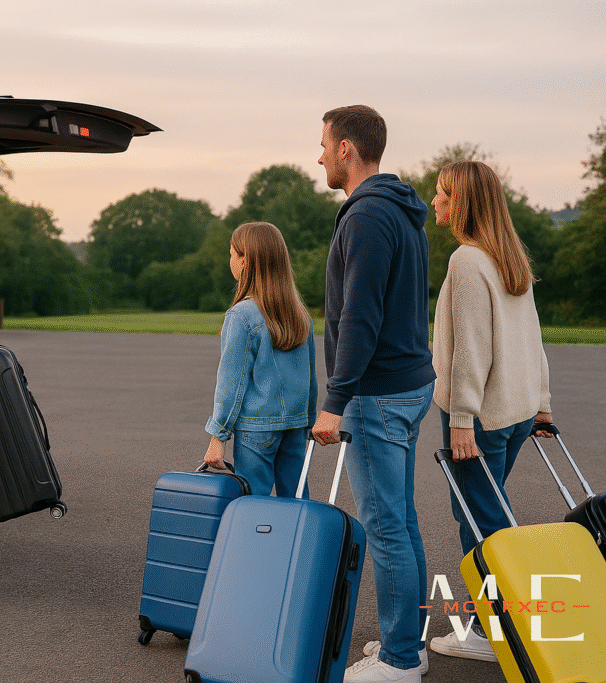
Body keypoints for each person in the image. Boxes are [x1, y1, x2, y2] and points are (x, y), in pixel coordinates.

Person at [311, 105, 436, 683]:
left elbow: (360, 315)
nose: (318, 156)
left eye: (323, 145)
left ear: (345, 150)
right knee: (401, 521)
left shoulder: (365, 217)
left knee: (386, 527)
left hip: (376, 392)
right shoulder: (403, 211)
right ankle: (406, 642)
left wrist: (335, 400)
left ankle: (400, 661)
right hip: (407, 385)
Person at [428, 160, 553, 661]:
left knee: (483, 521)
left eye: (442, 193)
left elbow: (470, 349)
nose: (434, 201)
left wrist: (461, 420)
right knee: (484, 513)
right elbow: (533, 340)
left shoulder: (467, 260)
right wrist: (542, 405)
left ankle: (490, 631)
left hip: (479, 415)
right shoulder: (508, 257)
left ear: (462, 203)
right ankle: (493, 622)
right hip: (517, 409)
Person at [203, 222, 317, 497]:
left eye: (232, 253)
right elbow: (310, 378)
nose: (229, 259)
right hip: (295, 426)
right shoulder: (301, 315)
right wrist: (308, 422)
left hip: (256, 429)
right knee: (297, 500)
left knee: (254, 506)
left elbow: (231, 383)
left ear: (245, 262)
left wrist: (218, 436)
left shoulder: (241, 316)